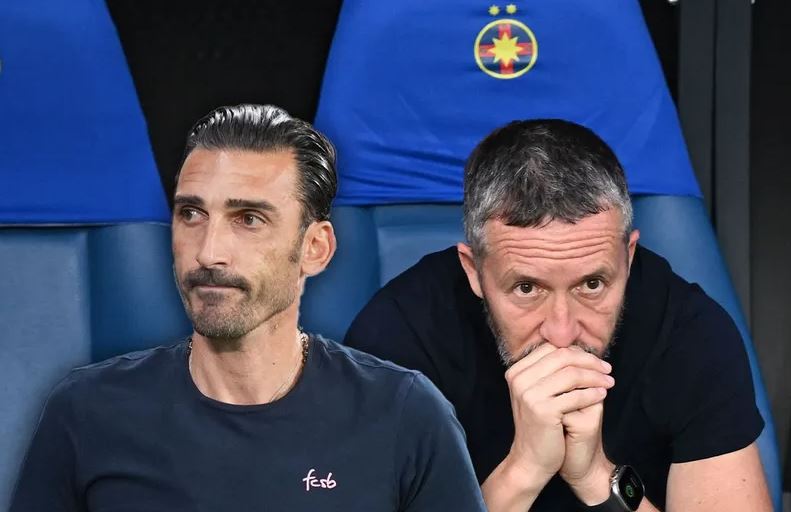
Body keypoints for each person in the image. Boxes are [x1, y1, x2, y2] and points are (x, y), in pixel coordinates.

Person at [10, 104, 486, 511]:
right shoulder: (86, 412)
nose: (208, 252)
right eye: (191, 214)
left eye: (249, 219)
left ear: (315, 248)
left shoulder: (405, 414)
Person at [345, 119, 772, 511]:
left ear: (628, 258)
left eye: (592, 284)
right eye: (527, 289)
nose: (562, 333)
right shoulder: (395, 343)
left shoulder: (690, 335)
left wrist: (595, 476)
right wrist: (524, 469)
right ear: (474, 271)